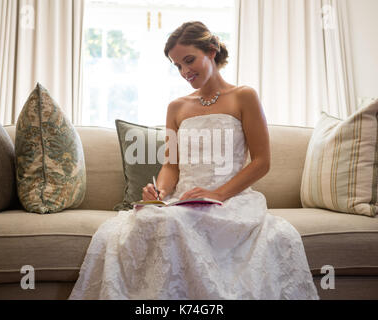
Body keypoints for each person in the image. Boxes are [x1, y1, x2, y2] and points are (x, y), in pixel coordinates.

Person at [69, 21, 319, 300]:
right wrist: (160, 192)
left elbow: (262, 162)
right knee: (149, 220)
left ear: (211, 51)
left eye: (190, 60)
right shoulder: (176, 107)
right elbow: (171, 165)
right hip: (183, 198)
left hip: (230, 199)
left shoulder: (243, 96)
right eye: (178, 66)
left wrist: (216, 194)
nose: (185, 72)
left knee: (177, 222)